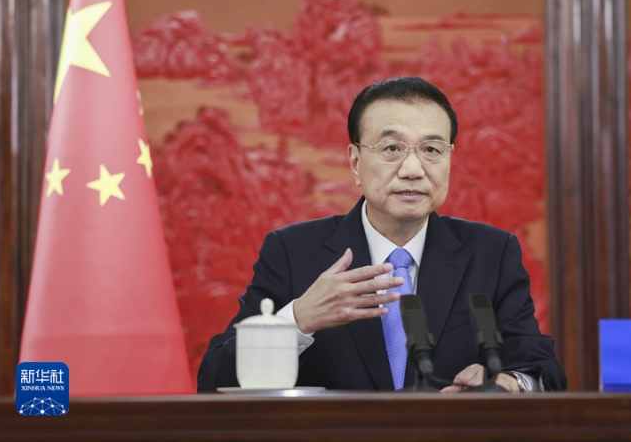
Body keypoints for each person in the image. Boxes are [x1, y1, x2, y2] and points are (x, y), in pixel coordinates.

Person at [197, 76, 567, 393]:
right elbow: (213, 379)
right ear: (355, 161)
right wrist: (298, 319)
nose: (413, 169)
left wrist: (508, 383)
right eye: (391, 148)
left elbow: (544, 371)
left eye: (432, 149)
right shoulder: (293, 252)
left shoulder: (492, 252)